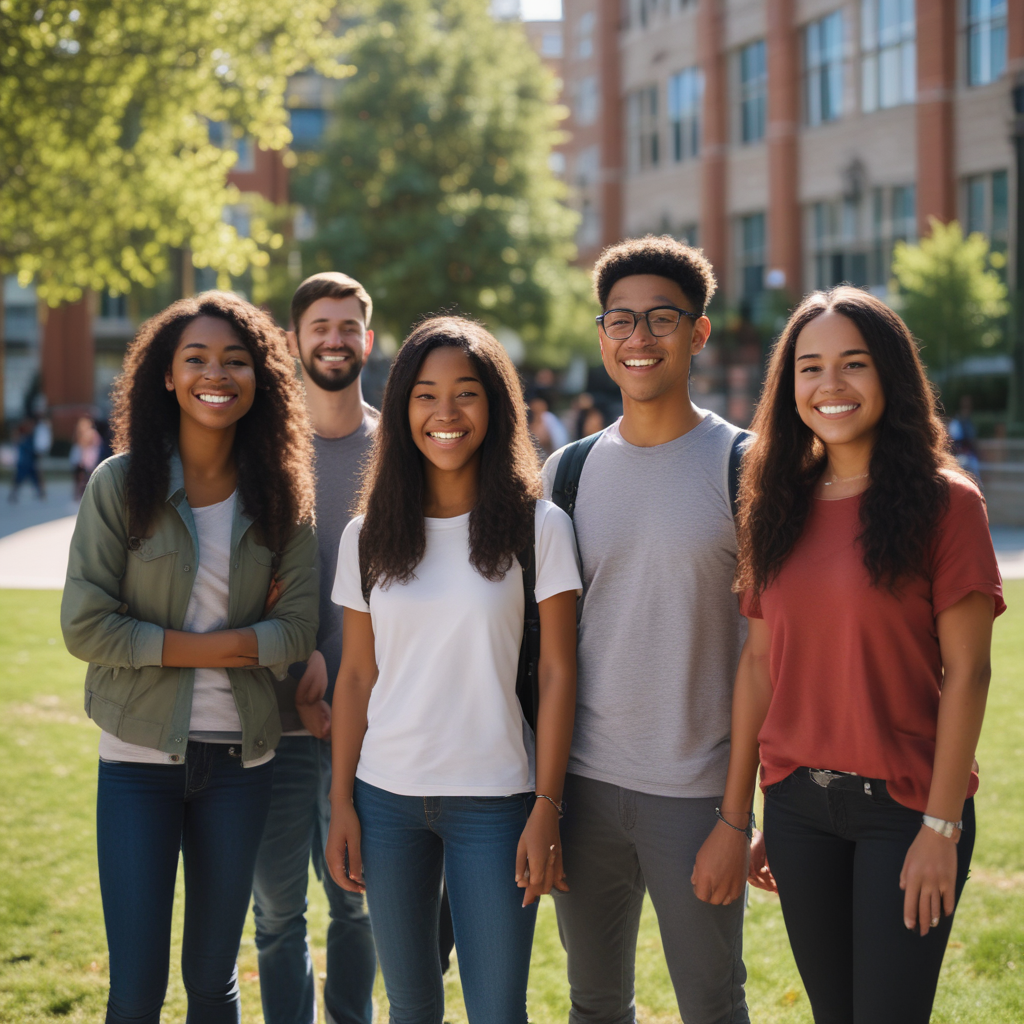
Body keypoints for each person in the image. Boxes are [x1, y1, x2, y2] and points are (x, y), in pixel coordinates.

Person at [692, 286, 1004, 1024]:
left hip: (907, 812)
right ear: (788, 383)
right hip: (799, 809)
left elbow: (969, 673)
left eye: (853, 364)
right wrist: (737, 819)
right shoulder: (774, 502)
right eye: (810, 367)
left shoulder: (946, 502)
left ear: (890, 375)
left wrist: (941, 828)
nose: (830, 385)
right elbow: (760, 666)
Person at [60, 291, 320, 1024]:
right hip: (139, 759)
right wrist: (233, 644)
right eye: (197, 358)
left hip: (241, 764)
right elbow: (84, 625)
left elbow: (297, 630)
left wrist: (175, 646)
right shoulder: (120, 483)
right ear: (167, 376)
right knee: (136, 991)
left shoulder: (284, 497)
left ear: (260, 378)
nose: (217, 373)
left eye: (237, 360)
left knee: (212, 981)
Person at [325, 316, 582, 1023]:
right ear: (402, 405)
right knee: (410, 1007)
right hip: (385, 799)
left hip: (497, 803)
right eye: (425, 394)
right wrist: (342, 802)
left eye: (466, 393)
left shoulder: (540, 527)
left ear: (496, 407)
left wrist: (547, 806)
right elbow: (354, 678)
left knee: (498, 1010)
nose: (445, 413)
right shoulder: (367, 533)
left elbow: (560, 674)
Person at [542, 235, 751, 1023]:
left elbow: (770, 653)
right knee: (594, 1004)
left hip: (697, 795)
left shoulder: (744, 466)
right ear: (601, 336)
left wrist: (737, 818)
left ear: (698, 333)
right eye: (621, 321)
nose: (639, 338)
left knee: (712, 1003)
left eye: (661, 319)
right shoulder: (566, 472)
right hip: (582, 788)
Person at [250, 273, 378, 1024]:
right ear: (294, 341)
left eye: (348, 325)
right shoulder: (262, 452)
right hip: (269, 723)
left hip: (367, 726)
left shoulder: (404, 444)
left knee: (356, 910)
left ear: (368, 336)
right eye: (318, 326)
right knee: (275, 917)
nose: (334, 338)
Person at [8, 416, 46, 501]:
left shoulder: (32, 437)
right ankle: (13, 494)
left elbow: (37, 448)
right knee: (18, 479)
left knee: (36, 479)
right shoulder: (22, 437)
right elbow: (16, 443)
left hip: (31, 462)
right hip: (23, 462)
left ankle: (41, 493)